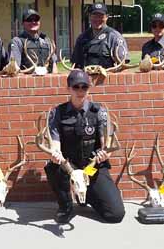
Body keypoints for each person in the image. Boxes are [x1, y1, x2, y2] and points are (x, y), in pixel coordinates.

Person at [43, 69, 125, 224]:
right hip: (69, 166)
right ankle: (66, 205)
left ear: (89, 88)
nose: (80, 91)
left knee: (115, 215)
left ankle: (89, 195)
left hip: (92, 166)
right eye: (76, 87)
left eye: (84, 87)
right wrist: (55, 154)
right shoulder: (57, 113)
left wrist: (105, 154)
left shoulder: (99, 111)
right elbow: (55, 144)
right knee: (54, 168)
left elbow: (106, 143)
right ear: (68, 89)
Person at [71, 3, 128, 68]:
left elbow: (123, 66)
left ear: (107, 17)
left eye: (101, 16)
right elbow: (75, 64)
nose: (97, 19)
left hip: (107, 77)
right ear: (89, 17)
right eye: (94, 16)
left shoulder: (114, 37)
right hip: (85, 76)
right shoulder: (82, 38)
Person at [8, 9, 58, 73]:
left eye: (36, 19)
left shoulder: (46, 41)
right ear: (23, 23)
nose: (33, 22)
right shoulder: (17, 42)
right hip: (27, 81)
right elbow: (14, 69)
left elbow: (54, 66)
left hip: (47, 80)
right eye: (29, 20)